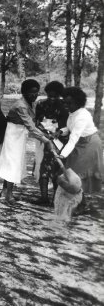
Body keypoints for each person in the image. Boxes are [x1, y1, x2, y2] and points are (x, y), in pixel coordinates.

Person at [0, 79, 55, 205]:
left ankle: (4, 192)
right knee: (13, 163)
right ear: (24, 92)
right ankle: (9, 195)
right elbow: (30, 126)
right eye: (31, 92)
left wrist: (45, 132)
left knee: (14, 162)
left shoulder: (30, 103)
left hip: (20, 133)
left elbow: (33, 123)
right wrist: (45, 139)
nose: (34, 95)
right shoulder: (21, 105)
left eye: (36, 92)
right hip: (12, 133)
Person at [57, 86, 103, 214]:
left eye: (69, 103)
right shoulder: (72, 113)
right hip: (79, 143)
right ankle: (80, 203)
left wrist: (62, 155)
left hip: (90, 144)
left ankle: (82, 205)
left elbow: (73, 138)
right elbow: (70, 128)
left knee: (77, 174)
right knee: (72, 173)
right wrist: (61, 131)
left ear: (78, 102)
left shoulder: (82, 115)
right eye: (65, 103)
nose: (66, 106)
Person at [33, 81, 68, 205]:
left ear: (59, 95)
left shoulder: (64, 106)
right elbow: (36, 122)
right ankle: (44, 197)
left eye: (55, 96)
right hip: (44, 138)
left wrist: (57, 133)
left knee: (56, 168)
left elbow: (66, 125)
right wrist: (44, 133)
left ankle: (55, 198)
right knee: (43, 167)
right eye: (50, 96)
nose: (52, 99)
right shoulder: (41, 104)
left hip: (59, 141)